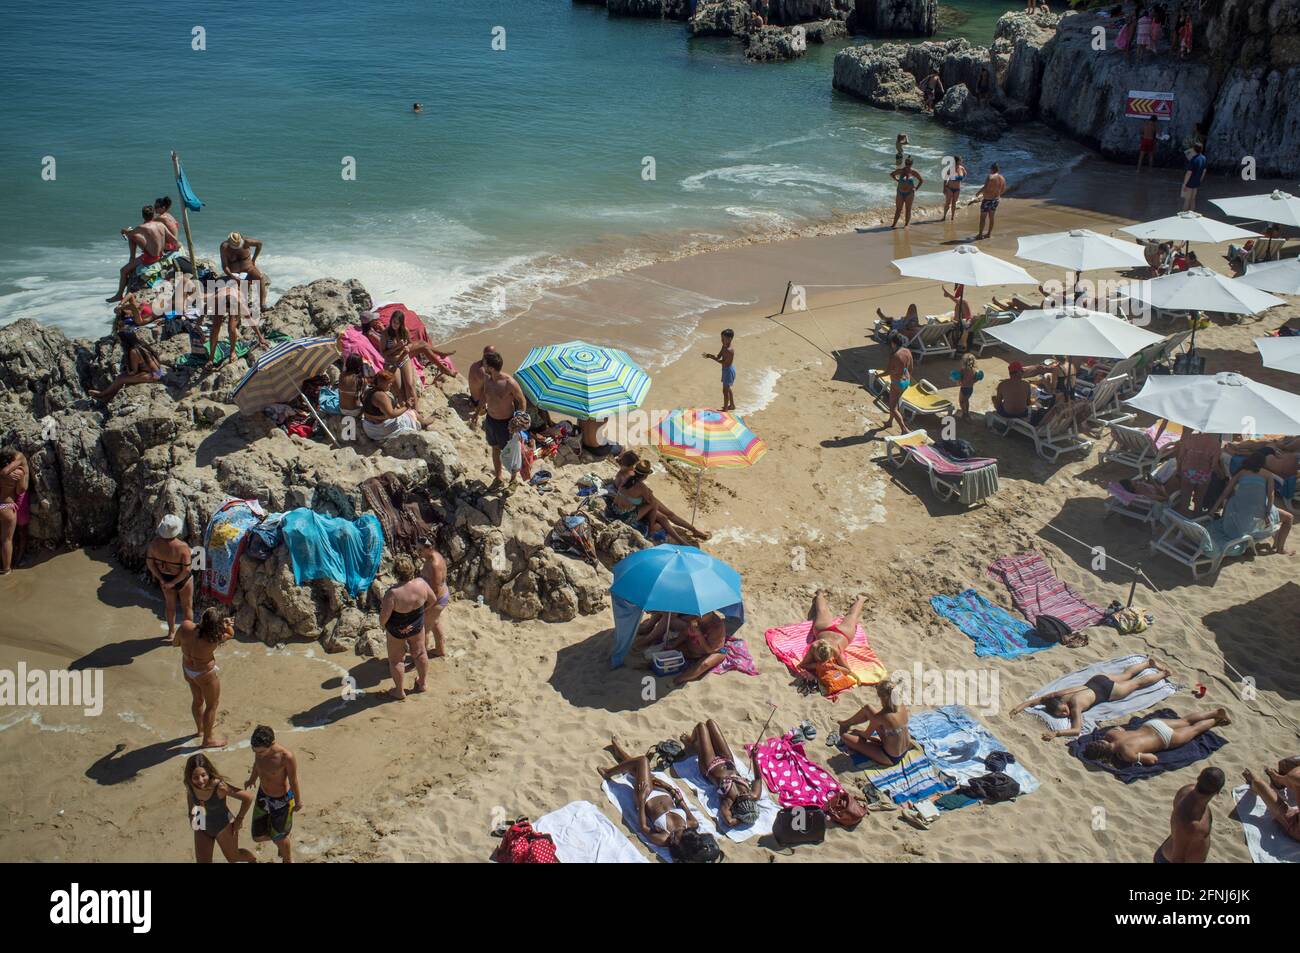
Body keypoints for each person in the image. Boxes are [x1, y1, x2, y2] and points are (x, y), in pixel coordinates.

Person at [598, 736, 722, 862]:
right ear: (686, 837)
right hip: (662, 791)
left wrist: (640, 801)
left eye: (675, 842)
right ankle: (621, 754)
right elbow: (680, 801)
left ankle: (608, 773)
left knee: (642, 762)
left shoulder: (664, 839)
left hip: (645, 797)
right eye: (677, 837)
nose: (673, 839)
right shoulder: (692, 823)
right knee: (639, 770)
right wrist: (669, 788)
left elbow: (644, 827)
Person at [1011, 657, 1173, 739]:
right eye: (1061, 715)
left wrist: (1056, 733)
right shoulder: (1059, 695)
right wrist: (1019, 707)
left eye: (1062, 712)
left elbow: (1076, 730)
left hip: (1109, 691)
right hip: (1097, 680)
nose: (1064, 715)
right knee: (1127, 674)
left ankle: (1164, 674)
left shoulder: (1075, 706)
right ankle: (1147, 664)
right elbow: (1037, 700)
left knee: (1136, 683)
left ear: (1062, 704)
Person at [679, 720, 764, 829]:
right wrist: (755, 757)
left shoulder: (728, 801)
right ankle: (699, 745)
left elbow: (729, 821)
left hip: (709, 766)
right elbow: (758, 778)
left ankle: (692, 742)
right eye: (748, 798)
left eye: (743, 799)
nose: (745, 795)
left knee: (701, 727)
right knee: (711, 723)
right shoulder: (754, 795)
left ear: (738, 807)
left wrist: (742, 818)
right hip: (728, 761)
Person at [1207, 451, 1292, 554]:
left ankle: (1276, 541)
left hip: (1237, 516)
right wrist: (1268, 513)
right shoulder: (1267, 474)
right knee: (1288, 518)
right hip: (1256, 515)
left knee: (1232, 500)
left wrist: (1213, 509)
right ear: (1262, 463)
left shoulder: (1241, 473)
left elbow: (1225, 492)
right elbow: (1271, 496)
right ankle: (1280, 549)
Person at [1082, 708, 1231, 767]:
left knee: (1194, 729)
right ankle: (1214, 712)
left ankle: (1215, 721)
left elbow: (1153, 759)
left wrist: (1136, 758)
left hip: (1165, 738)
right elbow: (1120, 728)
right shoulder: (1110, 734)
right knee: (1185, 721)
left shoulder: (1126, 754)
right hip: (1152, 725)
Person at [174, 608, 235, 748]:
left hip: (188, 669)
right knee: (212, 706)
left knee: (197, 700)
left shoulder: (185, 627)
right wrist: (227, 624)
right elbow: (231, 633)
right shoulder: (215, 638)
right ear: (216, 626)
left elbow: (175, 643)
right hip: (205, 674)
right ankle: (208, 740)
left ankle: (200, 730)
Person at [607, 460, 706, 544]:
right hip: (625, 516)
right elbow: (651, 502)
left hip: (617, 510)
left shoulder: (628, 479)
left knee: (664, 516)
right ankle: (652, 529)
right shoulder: (642, 487)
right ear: (645, 476)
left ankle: (687, 536)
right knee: (663, 513)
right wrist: (648, 493)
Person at [182, 753, 256, 863]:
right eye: (195, 777)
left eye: (203, 775)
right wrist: (190, 813)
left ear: (208, 772)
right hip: (201, 823)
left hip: (223, 825)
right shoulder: (190, 784)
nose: (201, 780)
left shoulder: (219, 787)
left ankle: (252, 860)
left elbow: (248, 798)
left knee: (234, 858)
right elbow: (190, 794)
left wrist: (239, 819)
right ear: (189, 777)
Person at [380, 554, 436, 700]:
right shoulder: (421, 584)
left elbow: (384, 617)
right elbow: (433, 600)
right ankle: (422, 684)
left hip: (397, 629)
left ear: (396, 573)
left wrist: (382, 626)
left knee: (396, 660)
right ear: (412, 570)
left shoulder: (392, 593)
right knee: (420, 653)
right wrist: (421, 612)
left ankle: (399, 692)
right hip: (416, 625)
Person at [245, 725, 300, 862]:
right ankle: (281, 837)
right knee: (257, 836)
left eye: (261, 752)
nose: (257, 754)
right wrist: (252, 779)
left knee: (279, 837)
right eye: (254, 751)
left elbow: (294, 781)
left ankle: (287, 859)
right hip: (263, 797)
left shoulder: (286, 757)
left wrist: (298, 801)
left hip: (281, 801)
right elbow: (257, 764)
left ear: (272, 744)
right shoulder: (259, 752)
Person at [797, 589, 865, 689]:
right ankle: (820, 594)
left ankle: (861, 599)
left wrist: (834, 667)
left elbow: (848, 670)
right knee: (848, 616)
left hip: (840, 634)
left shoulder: (835, 650)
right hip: (836, 633)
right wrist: (817, 665)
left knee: (850, 616)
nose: (824, 663)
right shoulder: (814, 646)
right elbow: (803, 665)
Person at [1154, 767, 1224, 862]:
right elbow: (1177, 859)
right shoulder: (1192, 825)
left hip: (1170, 847)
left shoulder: (1186, 790)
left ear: (1198, 778)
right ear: (1218, 791)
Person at [479, 351, 527, 487]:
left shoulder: (509, 383)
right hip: (491, 420)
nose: (483, 366)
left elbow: (522, 401)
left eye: (485, 364)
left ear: (491, 368)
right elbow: (485, 396)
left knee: (510, 452)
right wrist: (477, 413)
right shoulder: (487, 379)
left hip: (506, 423)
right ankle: (499, 478)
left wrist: (518, 419)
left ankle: (513, 480)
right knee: (495, 448)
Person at [837, 680, 910, 765]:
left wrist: (858, 732)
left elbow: (866, 736)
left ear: (881, 697)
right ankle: (846, 723)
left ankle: (845, 724)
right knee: (868, 708)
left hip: (891, 757)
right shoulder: (901, 705)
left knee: (845, 737)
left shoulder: (881, 716)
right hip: (905, 747)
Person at [146, 514, 194, 642]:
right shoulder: (182, 547)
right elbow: (186, 570)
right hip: (182, 580)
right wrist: (174, 582)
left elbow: (150, 563)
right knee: (187, 607)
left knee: (169, 606)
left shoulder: (154, 545)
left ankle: (171, 633)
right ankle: (188, 635)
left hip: (165, 578)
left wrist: (162, 580)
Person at [108, 206, 169, 302]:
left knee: (123, 271)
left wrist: (124, 231)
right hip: (160, 255)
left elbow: (130, 233)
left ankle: (119, 294)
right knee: (134, 237)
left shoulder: (142, 227)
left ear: (143, 216)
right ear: (153, 215)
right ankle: (132, 259)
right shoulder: (160, 225)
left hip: (150, 258)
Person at [89, 329, 166, 405]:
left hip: (154, 375)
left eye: (120, 341)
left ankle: (102, 394)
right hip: (158, 372)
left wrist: (127, 371)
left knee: (120, 379)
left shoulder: (134, 351)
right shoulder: (141, 345)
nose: (120, 343)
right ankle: (107, 398)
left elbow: (134, 371)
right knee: (122, 378)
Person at [205, 280, 267, 368]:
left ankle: (232, 351)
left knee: (231, 328)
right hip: (221, 300)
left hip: (234, 301)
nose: (227, 312)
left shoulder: (239, 302)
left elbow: (250, 320)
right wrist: (198, 323)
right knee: (215, 329)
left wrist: (260, 337)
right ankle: (211, 358)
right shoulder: (216, 299)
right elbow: (205, 307)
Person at [362, 370, 434, 442]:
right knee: (412, 413)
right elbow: (391, 415)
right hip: (381, 430)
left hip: (369, 428)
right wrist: (406, 406)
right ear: (381, 382)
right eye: (388, 383)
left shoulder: (368, 390)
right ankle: (423, 423)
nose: (390, 385)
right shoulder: (381, 396)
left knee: (406, 412)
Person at [1241, 762, 1300, 843]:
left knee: (1258, 783)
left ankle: (1278, 780)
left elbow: (1292, 776)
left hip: (1296, 826)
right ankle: (1279, 780)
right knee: (1291, 775)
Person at [663, 611, 729, 684]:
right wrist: (675, 644)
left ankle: (679, 679)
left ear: (710, 613)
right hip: (694, 647)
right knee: (670, 653)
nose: (699, 616)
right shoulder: (696, 618)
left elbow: (710, 650)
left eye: (703, 614)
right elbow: (685, 633)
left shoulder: (717, 626)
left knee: (704, 664)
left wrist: (699, 635)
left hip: (713, 651)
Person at [1171, 428, 1221, 515]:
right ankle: (1194, 520)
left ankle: (1181, 523)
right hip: (1204, 473)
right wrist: (1222, 474)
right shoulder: (1215, 443)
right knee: (1199, 499)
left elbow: (1180, 457)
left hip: (1188, 471)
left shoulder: (1190, 438)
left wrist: (1178, 470)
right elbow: (1213, 465)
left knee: (1185, 499)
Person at [417, 536, 450, 658]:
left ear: (429, 548)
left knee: (423, 629)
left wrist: (426, 606)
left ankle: (421, 658)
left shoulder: (435, 564)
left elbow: (435, 589)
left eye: (420, 550)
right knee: (435, 622)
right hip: (442, 596)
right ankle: (440, 650)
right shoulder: (433, 556)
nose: (418, 553)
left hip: (437, 599)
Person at [219, 232, 269, 312]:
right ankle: (239, 307)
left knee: (260, 277)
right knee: (235, 288)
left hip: (249, 268)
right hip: (235, 272)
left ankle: (262, 304)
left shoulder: (246, 242)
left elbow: (259, 244)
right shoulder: (224, 247)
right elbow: (225, 266)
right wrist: (232, 276)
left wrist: (254, 259)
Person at [0, 448, 30, 574]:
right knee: (7, 540)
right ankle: (7, 569)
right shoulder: (18, 472)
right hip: (6, 506)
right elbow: (20, 491)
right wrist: (22, 472)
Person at [883, 331, 913, 433]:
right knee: (894, 402)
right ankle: (890, 422)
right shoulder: (907, 351)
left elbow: (887, 372)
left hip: (897, 383)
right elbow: (911, 368)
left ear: (893, 343)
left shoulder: (895, 355)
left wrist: (877, 375)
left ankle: (904, 429)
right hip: (906, 381)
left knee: (892, 407)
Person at [703, 328, 736, 411]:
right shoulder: (724, 346)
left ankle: (725, 409)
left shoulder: (730, 350)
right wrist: (710, 355)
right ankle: (732, 405)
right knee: (727, 389)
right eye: (721, 338)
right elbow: (719, 356)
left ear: (729, 339)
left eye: (723, 339)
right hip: (725, 370)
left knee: (725, 391)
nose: (722, 340)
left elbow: (725, 363)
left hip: (728, 370)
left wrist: (712, 358)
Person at [973, 163, 1006, 240]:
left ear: (992, 169)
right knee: (991, 217)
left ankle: (980, 235)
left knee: (983, 218)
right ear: (998, 169)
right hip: (996, 200)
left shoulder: (990, 176)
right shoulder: (1002, 178)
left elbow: (985, 187)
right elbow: (1003, 189)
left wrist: (978, 193)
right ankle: (989, 234)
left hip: (987, 200)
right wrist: (997, 194)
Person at [466, 345, 496, 428]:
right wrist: (476, 414)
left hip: (472, 398)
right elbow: (485, 394)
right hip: (478, 404)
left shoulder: (474, 364)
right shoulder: (485, 373)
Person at [890, 156, 923, 228]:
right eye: (907, 163)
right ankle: (894, 224)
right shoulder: (901, 171)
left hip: (910, 193)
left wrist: (916, 188)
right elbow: (892, 174)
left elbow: (921, 180)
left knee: (908, 209)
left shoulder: (913, 172)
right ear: (905, 163)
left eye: (909, 164)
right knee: (898, 209)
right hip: (900, 192)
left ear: (911, 164)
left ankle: (906, 224)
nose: (908, 165)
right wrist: (897, 180)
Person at [952, 352, 983, 420]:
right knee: (966, 401)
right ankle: (967, 412)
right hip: (970, 388)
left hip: (964, 388)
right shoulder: (974, 371)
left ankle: (964, 414)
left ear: (963, 362)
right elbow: (975, 380)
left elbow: (960, 381)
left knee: (961, 401)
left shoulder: (962, 371)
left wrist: (957, 381)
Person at [338, 353, 367, 419]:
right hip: (355, 411)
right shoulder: (362, 380)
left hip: (342, 409)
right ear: (359, 365)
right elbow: (363, 398)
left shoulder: (341, 375)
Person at [1181, 142, 1207, 211]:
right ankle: (1192, 214)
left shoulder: (1193, 160)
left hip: (1190, 183)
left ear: (1194, 149)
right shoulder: (1203, 158)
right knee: (1193, 199)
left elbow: (1189, 173)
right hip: (1196, 181)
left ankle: (1183, 215)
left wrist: (1184, 184)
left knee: (1187, 200)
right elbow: (1204, 171)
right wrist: (1200, 180)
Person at [942, 154, 966, 220]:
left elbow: (965, 174)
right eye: (961, 160)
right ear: (957, 161)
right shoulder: (951, 168)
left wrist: (961, 179)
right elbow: (945, 178)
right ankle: (944, 216)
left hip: (957, 189)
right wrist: (944, 188)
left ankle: (952, 217)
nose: (962, 161)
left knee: (954, 203)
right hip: (949, 188)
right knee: (948, 203)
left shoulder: (962, 168)